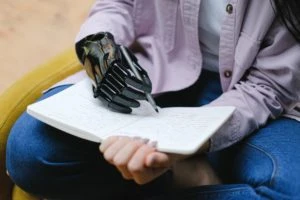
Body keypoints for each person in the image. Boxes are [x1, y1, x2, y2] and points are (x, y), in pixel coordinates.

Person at [6, 0, 300, 199]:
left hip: (261, 105)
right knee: (30, 152)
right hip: (153, 73)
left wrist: (184, 141)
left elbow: (270, 88)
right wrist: (98, 44)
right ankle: (191, 177)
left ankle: (185, 176)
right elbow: (118, 4)